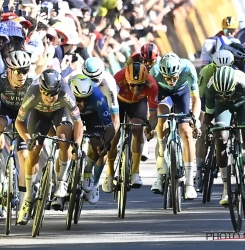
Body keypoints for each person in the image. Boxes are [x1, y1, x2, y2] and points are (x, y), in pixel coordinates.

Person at [15, 69, 83, 225]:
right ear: (40, 89)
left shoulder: (66, 93)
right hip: (39, 115)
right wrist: (27, 138)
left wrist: (77, 144)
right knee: (33, 153)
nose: (50, 98)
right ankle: (28, 198)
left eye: (54, 94)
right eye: (46, 94)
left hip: (61, 112)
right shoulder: (32, 92)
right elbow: (19, 122)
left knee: (64, 140)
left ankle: (61, 182)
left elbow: (78, 122)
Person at [0, 50, 33, 210]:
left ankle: (23, 201)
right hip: (5, 110)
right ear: (10, 70)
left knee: (24, 156)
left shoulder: (32, 82)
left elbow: (36, 111)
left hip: (24, 114)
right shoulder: (0, 81)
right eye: (18, 71)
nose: (22, 75)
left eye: (25, 70)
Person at [150, 52, 201, 199]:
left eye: (174, 77)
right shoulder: (155, 72)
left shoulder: (188, 69)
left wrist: (195, 120)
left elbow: (196, 99)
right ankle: (160, 177)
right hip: (163, 92)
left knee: (185, 131)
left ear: (179, 72)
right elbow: (152, 103)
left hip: (182, 93)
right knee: (162, 119)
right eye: (168, 78)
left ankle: (190, 184)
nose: (172, 81)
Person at [105, 62, 158, 191]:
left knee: (137, 128)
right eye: (133, 85)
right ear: (127, 81)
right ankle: (110, 173)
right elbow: (108, 102)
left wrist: (150, 128)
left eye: (140, 85)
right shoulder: (118, 79)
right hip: (118, 102)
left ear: (145, 82)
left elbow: (153, 114)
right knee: (114, 136)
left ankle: (135, 172)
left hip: (138, 103)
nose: (136, 89)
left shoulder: (152, 85)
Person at [204, 66, 245, 206]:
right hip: (223, 107)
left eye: (227, 92)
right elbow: (209, 114)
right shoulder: (211, 87)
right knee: (221, 138)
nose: (224, 96)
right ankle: (225, 188)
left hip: (243, 102)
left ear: (234, 85)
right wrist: (211, 130)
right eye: (221, 93)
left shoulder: (244, 83)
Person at [69, 74, 115, 205]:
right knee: (64, 140)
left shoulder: (98, 98)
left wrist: (104, 144)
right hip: (71, 113)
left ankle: (88, 171)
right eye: (78, 99)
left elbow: (110, 129)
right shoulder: (66, 93)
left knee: (97, 144)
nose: (82, 103)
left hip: (92, 115)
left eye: (85, 99)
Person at [194, 50, 234, 191]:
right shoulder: (206, 72)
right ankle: (198, 172)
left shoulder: (235, 74)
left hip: (227, 97)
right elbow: (199, 97)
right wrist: (202, 118)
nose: (222, 70)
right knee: (203, 130)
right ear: (213, 65)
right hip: (209, 97)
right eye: (218, 68)